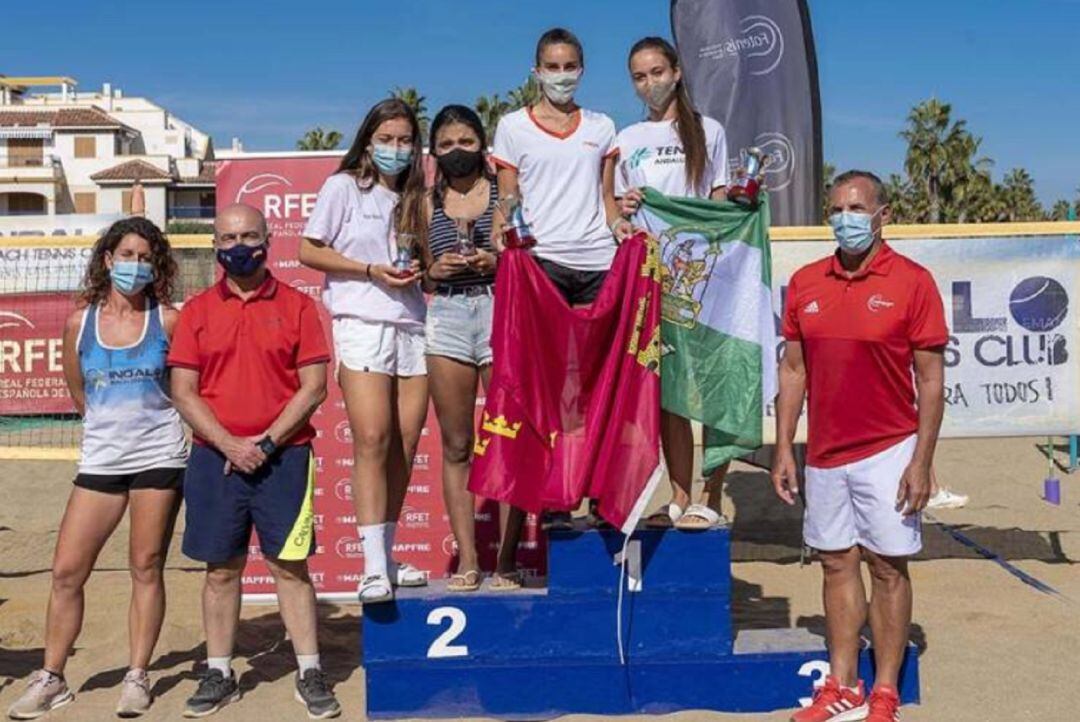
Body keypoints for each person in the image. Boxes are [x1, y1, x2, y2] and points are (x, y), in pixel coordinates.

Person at [772, 171, 946, 722]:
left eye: (856, 208)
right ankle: (842, 684)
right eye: (837, 209)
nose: (845, 218)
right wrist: (782, 448)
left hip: (890, 449)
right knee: (835, 564)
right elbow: (794, 370)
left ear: (881, 214)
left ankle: (885, 690)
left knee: (888, 567)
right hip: (824, 452)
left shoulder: (913, 281)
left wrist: (922, 461)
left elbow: (932, 381)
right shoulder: (805, 283)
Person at [7, 218, 187, 720]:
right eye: (126, 254)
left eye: (145, 257)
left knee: (146, 566)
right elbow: (79, 392)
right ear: (107, 260)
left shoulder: (168, 320)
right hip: (103, 457)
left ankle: (136, 675)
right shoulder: (79, 322)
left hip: (159, 453)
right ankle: (52, 677)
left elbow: (184, 389)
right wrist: (108, 431)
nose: (136, 265)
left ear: (157, 265)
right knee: (66, 571)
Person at [169, 204, 340, 719]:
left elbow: (313, 388)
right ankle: (218, 671)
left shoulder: (298, 306)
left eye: (248, 235)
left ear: (268, 239)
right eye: (227, 237)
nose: (238, 245)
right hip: (214, 459)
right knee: (221, 570)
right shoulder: (197, 310)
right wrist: (230, 445)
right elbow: (184, 391)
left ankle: (309, 668)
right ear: (215, 244)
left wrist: (263, 445)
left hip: (283, 458)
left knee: (290, 567)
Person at [491, 26, 624, 529]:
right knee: (549, 390)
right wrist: (505, 237)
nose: (561, 76)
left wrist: (619, 226)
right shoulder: (511, 127)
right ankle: (554, 500)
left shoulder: (602, 126)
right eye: (553, 66)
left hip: (598, 265)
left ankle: (598, 494)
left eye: (570, 67)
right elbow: (509, 199)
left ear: (582, 70)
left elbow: (608, 197)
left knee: (595, 387)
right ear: (536, 71)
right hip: (541, 266)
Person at [300, 98, 429, 603]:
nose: (396, 149)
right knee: (372, 438)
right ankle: (371, 566)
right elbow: (308, 250)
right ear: (368, 139)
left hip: (414, 324)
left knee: (405, 444)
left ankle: (389, 554)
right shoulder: (343, 186)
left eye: (404, 140)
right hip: (361, 321)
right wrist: (371, 271)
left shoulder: (419, 195)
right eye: (387, 139)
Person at [609, 35, 732, 531]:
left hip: (703, 283)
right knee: (670, 395)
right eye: (639, 76)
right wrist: (626, 209)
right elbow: (617, 211)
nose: (650, 83)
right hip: (651, 281)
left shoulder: (709, 132)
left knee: (712, 392)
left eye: (657, 72)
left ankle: (712, 492)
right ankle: (679, 494)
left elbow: (722, 203)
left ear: (677, 72)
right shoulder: (627, 138)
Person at [420, 104, 528, 591]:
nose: (456, 151)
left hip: (498, 309)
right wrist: (431, 272)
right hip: (446, 313)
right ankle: (468, 558)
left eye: (466, 141)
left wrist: (498, 259)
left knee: (507, 437)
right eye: (446, 144)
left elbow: (527, 254)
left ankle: (506, 558)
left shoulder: (504, 196)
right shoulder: (424, 201)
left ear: (482, 145)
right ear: (434, 151)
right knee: (458, 443)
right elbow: (414, 264)